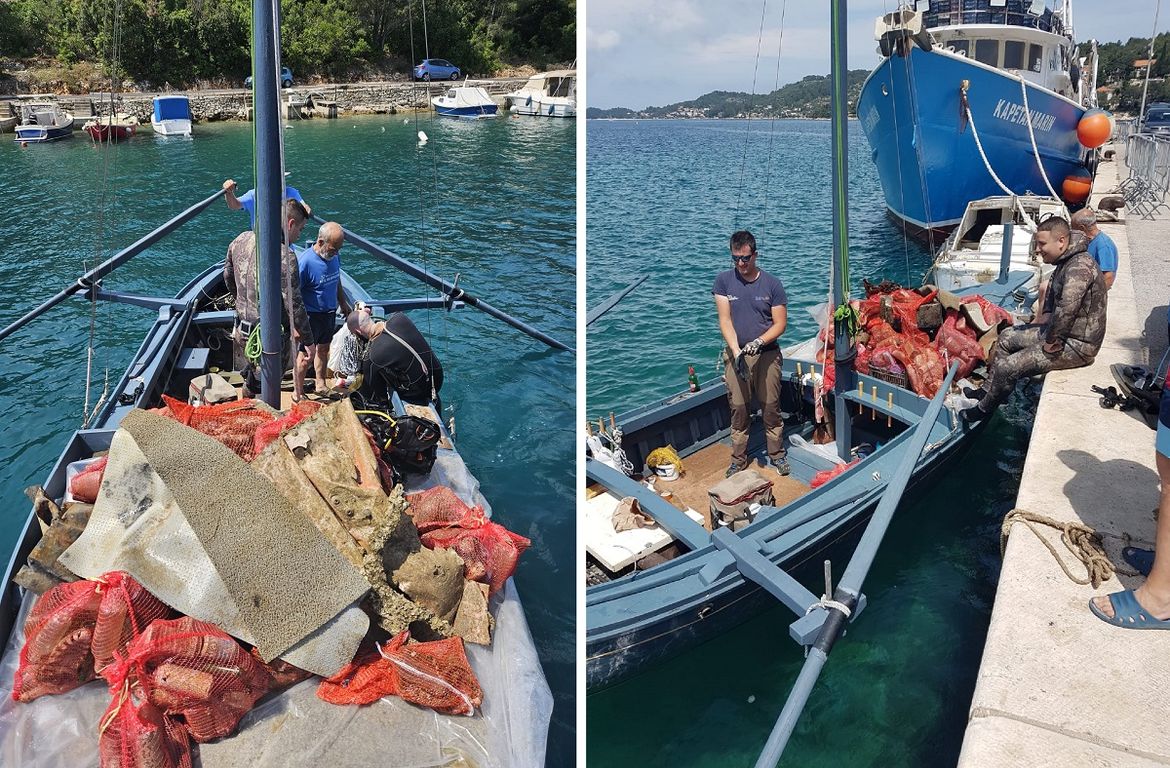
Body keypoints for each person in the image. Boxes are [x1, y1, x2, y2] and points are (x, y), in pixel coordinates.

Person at [961, 216, 1107, 424]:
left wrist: (1050, 342)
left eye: (1042, 244)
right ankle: (989, 391)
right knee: (1006, 336)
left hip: (1078, 345)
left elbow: (1067, 309)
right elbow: (1052, 293)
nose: (1038, 249)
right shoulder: (1067, 260)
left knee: (1007, 367)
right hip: (1062, 335)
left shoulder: (1079, 267)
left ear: (1062, 241)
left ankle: (984, 410)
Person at [713, 230, 789, 477]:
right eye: (735, 258)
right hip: (737, 354)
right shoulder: (723, 282)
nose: (740, 264)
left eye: (745, 258)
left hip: (767, 354)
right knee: (739, 408)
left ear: (755, 255)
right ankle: (738, 458)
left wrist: (759, 341)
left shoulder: (772, 284)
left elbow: (780, 324)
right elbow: (724, 320)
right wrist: (736, 351)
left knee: (770, 407)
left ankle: (777, 455)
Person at [223, 198, 313, 398]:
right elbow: (294, 304)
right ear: (290, 224)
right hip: (268, 337)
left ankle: (248, 399)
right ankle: (262, 414)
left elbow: (228, 277)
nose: (299, 235)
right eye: (301, 229)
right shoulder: (284, 256)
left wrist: (241, 301)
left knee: (251, 377)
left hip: (242, 329)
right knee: (267, 385)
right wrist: (308, 340)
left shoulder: (239, 240)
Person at [295, 221, 352, 397]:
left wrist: (343, 303)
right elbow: (294, 295)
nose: (336, 253)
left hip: (328, 313)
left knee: (323, 349)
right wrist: (297, 327)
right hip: (310, 316)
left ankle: (320, 384)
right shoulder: (305, 263)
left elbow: (337, 280)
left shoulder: (334, 257)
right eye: (334, 249)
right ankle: (298, 391)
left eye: (338, 249)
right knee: (305, 355)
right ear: (320, 242)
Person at [347, 306, 443, 407]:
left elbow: (380, 397)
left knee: (374, 372)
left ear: (358, 332)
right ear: (369, 316)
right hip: (437, 377)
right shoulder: (400, 317)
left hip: (419, 391)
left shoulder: (372, 357)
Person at [222, 178, 311, 230]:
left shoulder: (291, 192)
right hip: (259, 244)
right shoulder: (254, 194)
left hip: (285, 242)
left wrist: (306, 208)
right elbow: (234, 205)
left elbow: (304, 207)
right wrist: (228, 192)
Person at [1070, 207, 1117, 289]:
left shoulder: (1103, 245)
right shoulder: (1089, 240)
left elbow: (1108, 276)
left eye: (1074, 229)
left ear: (1082, 228)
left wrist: (1095, 297)